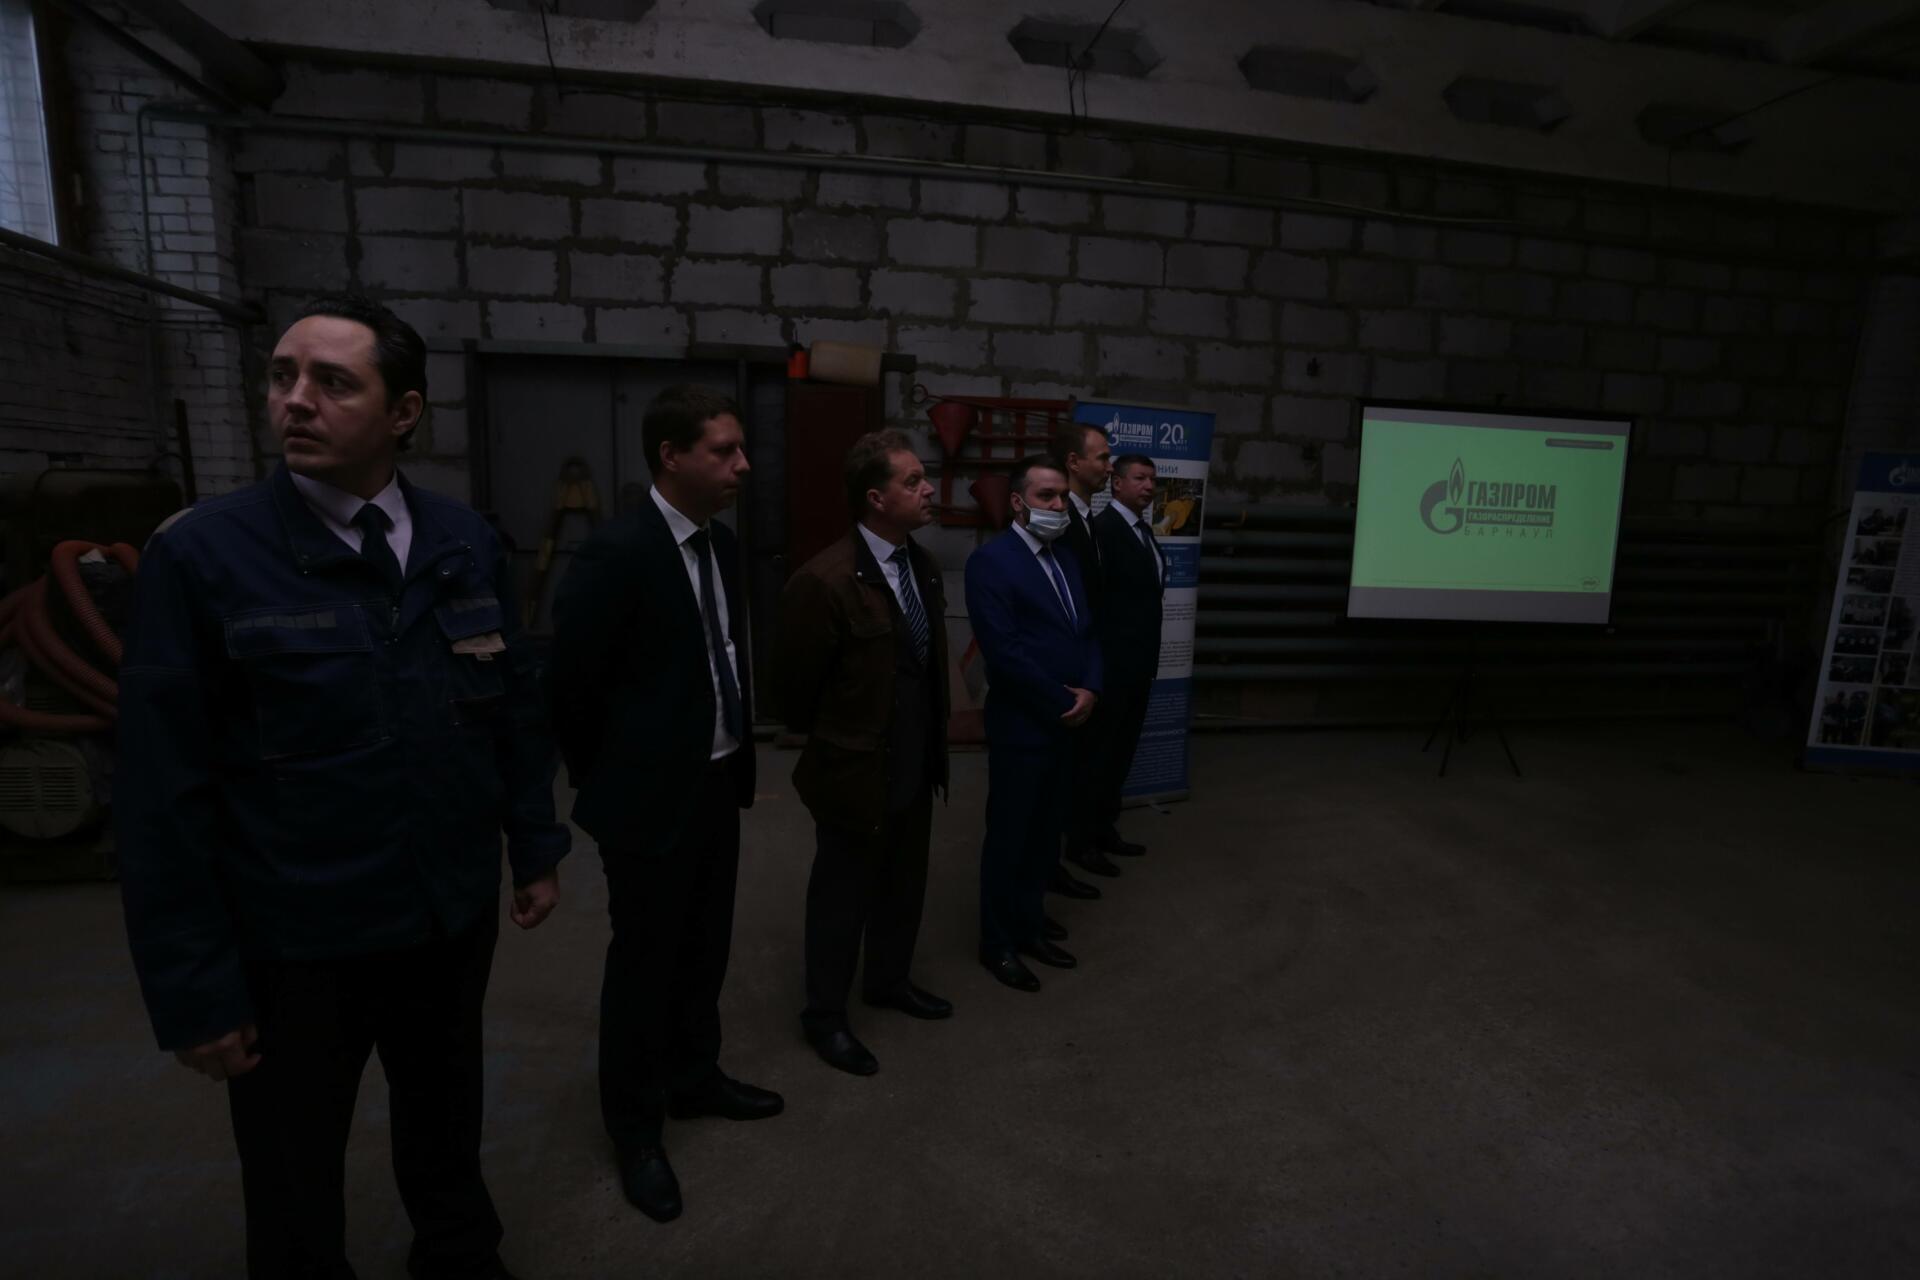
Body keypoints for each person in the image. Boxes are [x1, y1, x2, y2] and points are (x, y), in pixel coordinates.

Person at [117, 293, 568, 1280]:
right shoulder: (203, 555)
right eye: (283, 376)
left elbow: (510, 711)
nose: (295, 400)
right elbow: (159, 795)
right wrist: (195, 987)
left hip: (444, 915)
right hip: (298, 940)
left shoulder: (462, 541)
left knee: (446, 1115)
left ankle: (459, 1253)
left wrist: (534, 844)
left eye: (332, 381)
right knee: (293, 1165)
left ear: (403, 412)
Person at [548, 384, 781, 1225]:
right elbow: (570, 687)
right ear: (670, 456)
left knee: (705, 946)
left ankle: (695, 1077)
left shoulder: (720, 544)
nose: (743, 465)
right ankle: (636, 1131)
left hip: (716, 781)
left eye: (741, 449)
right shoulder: (616, 553)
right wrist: (613, 779)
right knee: (644, 967)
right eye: (724, 450)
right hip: (647, 800)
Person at [778, 431, 952, 1077]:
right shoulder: (823, 581)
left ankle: (888, 981)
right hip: (854, 770)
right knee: (841, 896)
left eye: (924, 477)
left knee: (904, 883)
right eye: (913, 481)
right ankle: (825, 1017)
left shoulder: (921, 565)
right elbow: (795, 695)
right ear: (876, 499)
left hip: (914, 760)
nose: (928, 488)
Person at [964, 455, 1102, 993]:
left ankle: (1030, 924)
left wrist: (1091, 688)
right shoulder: (991, 562)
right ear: (1019, 503)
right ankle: (997, 943)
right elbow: (1004, 652)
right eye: (1047, 496)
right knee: (1011, 835)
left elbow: (1087, 631)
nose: (1058, 505)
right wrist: (1063, 700)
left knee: (1045, 833)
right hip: (1025, 724)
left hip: (1069, 719)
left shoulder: (1065, 556)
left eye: (1063, 496)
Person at [1090, 455, 1168, 859]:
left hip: (1139, 665)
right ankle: (1085, 839)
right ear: (1116, 484)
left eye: (1152, 479)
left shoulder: (1143, 531)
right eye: (1140, 478)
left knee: (1121, 753)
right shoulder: (1103, 530)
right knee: (1100, 755)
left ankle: (1105, 829)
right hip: (1113, 667)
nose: (1149, 486)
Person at [1050, 422, 1116, 893]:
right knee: (1057, 774)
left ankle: (1077, 844)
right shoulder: (1061, 522)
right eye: (1102, 457)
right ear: (1074, 462)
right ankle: (1051, 862)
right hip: (1066, 674)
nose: (1109, 467)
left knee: (1084, 765)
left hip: (1091, 666)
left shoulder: (1090, 518)